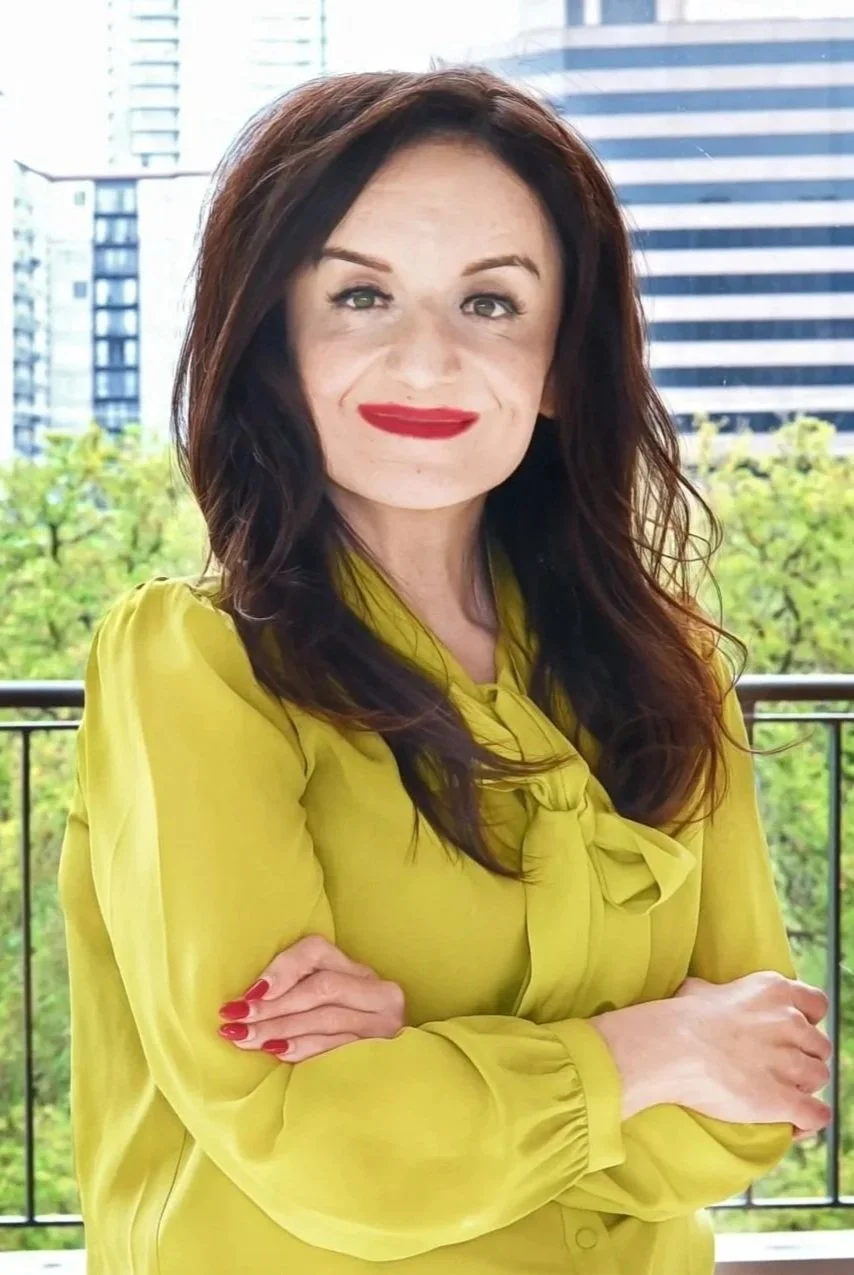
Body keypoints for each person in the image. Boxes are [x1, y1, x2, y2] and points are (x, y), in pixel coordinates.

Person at [58, 66, 832, 1275]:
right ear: (272, 346)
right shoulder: (195, 663)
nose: (425, 363)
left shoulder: (661, 658)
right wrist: (648, 1051)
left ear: (561, 363)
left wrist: (424, 1056)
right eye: (360, 296)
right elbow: (319, 1150)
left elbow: (753, 1103)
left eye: (490, 304)